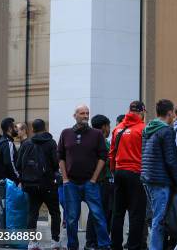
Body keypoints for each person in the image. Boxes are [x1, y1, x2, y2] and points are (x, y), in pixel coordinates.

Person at [58, 104, 111, 250]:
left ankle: (104, 245)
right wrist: (65, 178)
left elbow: (103, 157)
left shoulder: (96, 134)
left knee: (98, 215)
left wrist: (94, 178)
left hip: (90, 183)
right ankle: (72, 246)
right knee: (71, 218)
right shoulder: (65, 133)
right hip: (71, 183)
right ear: (75, 115)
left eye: (87, 113)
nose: (86, 116)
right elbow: (60, 156)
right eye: (82, 113)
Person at [142, 99, 177, 250]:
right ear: (169, 113)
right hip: (160, 180)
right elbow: (171, 159)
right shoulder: (166, 131)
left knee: (156, 216)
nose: (174, 115)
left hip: (148, 177)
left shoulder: (148, 128)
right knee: (159, 219)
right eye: (173, 112)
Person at [16, 119, 61, 250]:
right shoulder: (51, 143)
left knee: (32, 213)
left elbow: (19, 164)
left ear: (32, 129)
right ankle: (55, 241)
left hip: (31, 185)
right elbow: (55, 163)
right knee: (55, 213)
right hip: (48, 185)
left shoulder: (26, 144)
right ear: (45, 127)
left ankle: (33, 243)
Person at [110, 101, 147, 250]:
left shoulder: (118, 128)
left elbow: (111, 153)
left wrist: (114, 170)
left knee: (117, 213)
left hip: (119, 172)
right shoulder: (143, 129)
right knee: (136, 213)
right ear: (142, 112)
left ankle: (115, 245)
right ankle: (133, 246)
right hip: (135, 173)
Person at [85, 114, 114, 250]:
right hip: (101, 181)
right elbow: (106, 161)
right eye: (108, 126)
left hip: (93, 181)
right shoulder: (102, 141)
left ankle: (93, 242)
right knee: (99, 212)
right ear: (104, 127)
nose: (109, 129)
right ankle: (93, 242)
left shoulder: (88, 140)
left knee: (95, 211)